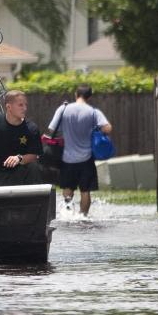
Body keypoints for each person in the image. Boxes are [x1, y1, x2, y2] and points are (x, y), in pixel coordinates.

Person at [48, 84, 112, 216]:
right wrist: (95, 130)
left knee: (67, 188)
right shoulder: (93, 112)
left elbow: (51, 129)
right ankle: (83, 216)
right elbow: (107, 128)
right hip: (87, 158)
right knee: (85, 190)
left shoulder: (63, 109)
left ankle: (68, 213)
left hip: (67, 158)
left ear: (76, 94)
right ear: (89, 97)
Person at [0, 90, 44, 187]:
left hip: (17, 174)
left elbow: (34, 154)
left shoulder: (31, 128)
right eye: (20, 105)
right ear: (8, 107)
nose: (25, 108)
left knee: (34, 167)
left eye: (26, 105)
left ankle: (35, 200)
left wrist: (19, 158)